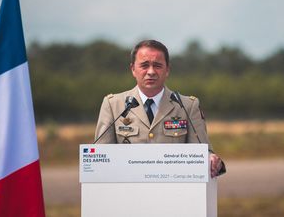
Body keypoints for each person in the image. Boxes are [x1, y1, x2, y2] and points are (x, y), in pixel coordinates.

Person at [94, 39, 225, 177]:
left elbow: (202, 151)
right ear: (133, 69)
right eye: (144, 65)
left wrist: (211, 159)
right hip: (128, 190)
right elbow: (101, 156)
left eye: (157, 65)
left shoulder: (188, 106)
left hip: (173, 190)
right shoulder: (113, 104)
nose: (151, 71)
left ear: (167, 70)